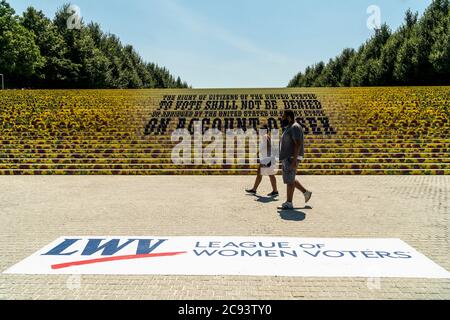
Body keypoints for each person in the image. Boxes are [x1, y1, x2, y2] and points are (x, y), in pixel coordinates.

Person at [279, 110, 312, 209]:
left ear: (289, 117)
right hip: (288, 157)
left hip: (291, 157)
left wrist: (294, 160)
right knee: (290, 178)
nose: (282, 118)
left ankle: (289, 203)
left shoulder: (295, 127)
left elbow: (298, 144)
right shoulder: (290, 127)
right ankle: (306, 193)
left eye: (284, 116)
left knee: (289, 181)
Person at [245, 125, 279, 197]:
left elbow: (268, 146)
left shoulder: (265, 136)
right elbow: (267, 146)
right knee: (268, 174)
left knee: (266, 174)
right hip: (268, 158)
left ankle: (255, 189)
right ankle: (274, 190)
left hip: (266, 159)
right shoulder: (267, 136)